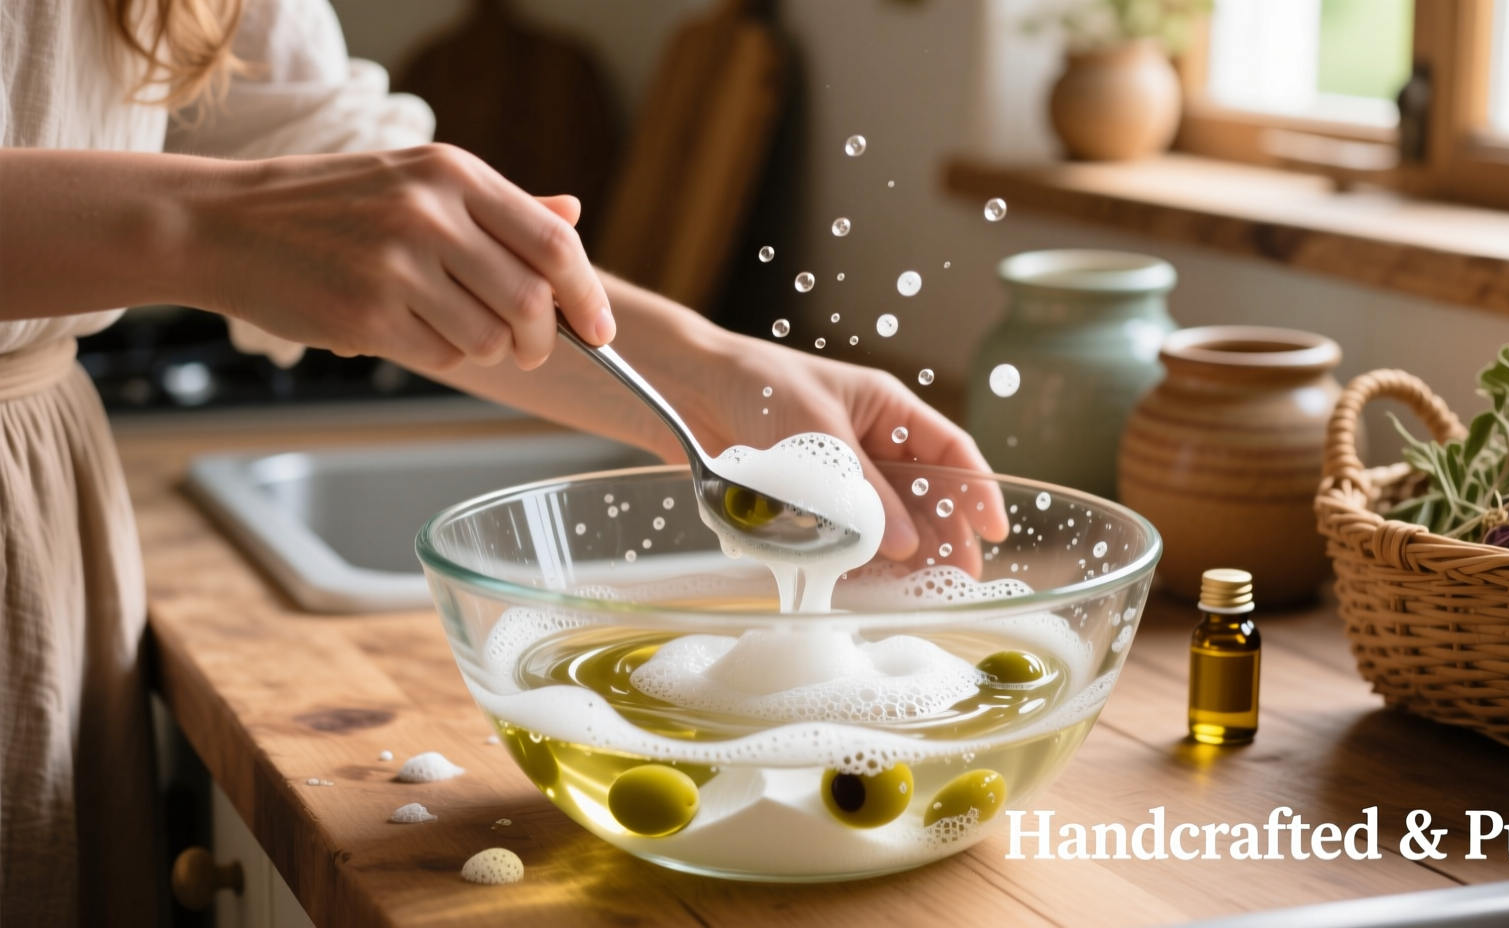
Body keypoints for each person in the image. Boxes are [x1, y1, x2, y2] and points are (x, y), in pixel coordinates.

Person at [0, 0, 993, 924]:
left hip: (40, 515)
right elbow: (266, 199)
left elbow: (302, 147)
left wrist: (712, 372)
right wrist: (210, 225)